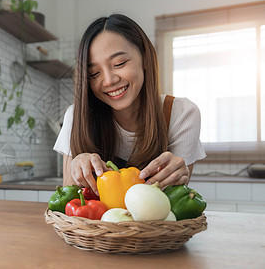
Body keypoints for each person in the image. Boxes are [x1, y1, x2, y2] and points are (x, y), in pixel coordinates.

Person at [53, 14, 206, 196]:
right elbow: (67, 206)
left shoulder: (181, 114)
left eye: (119, 63)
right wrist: (77, 167)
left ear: (145, 58)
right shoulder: (76, 116)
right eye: (94, 73)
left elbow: (172, 206)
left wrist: (177, 176)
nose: (108, 81)